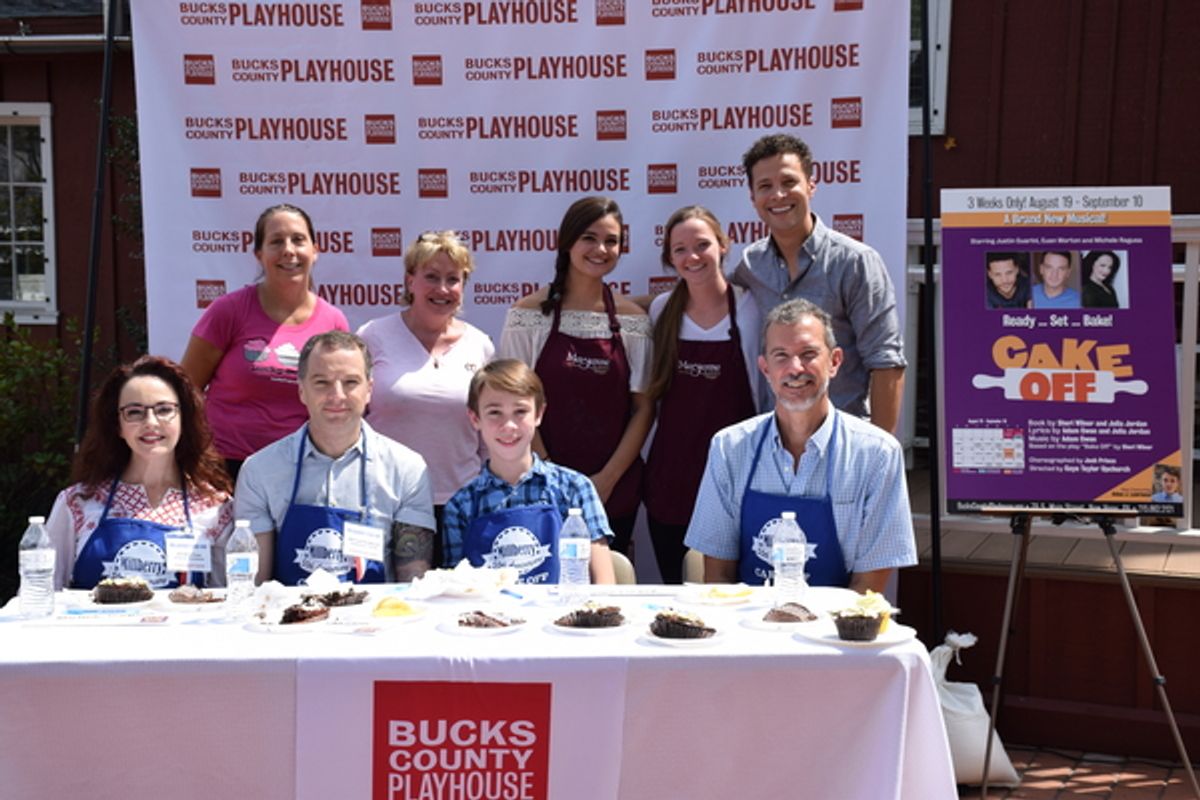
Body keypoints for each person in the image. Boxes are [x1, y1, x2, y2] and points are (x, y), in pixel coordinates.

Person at [683, 299, 917, 592]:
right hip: (749, 619)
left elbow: (867, 589)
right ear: (765, 368)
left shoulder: (878, 455)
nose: (795, 368)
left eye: (808, 354)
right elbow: (718, 576)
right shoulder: (729, 448)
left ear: (834, 362)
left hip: (839, 620)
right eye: (781, 355)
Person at [499, 196, 653, 556]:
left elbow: (644, 408)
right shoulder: (528, 315)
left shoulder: (632, 320)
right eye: (589, 238)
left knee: (609, 580)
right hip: (541, 486)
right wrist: (552, 476)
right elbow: (514, 404)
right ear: (567, 242)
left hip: (614, 489)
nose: (601, 249)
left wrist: (606, 480)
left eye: (611, 241)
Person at [732, 133, 905, 432]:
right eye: (765, 186)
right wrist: (644, 305)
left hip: (843, 439)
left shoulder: (855, 262)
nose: (778, 195)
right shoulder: (751, 264)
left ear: (811, 185)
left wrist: (879, 450)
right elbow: (705, 299)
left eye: (789, 182)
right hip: (775, 440)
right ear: (753, 197)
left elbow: (886, 361)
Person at [235, 331, 435, 585]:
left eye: (350, 382)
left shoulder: (407, 469)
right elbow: (253, 585)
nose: (337, 395)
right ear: (301, 390)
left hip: (375, 610)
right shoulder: (259, 470)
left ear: (369, 389)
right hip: (287, 610)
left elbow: (412, 583)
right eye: (322, 382)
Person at [181, 203, 349, 481]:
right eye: (276, 241)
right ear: (259, 254)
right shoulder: (228, 311)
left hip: (302, 469)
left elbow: (339, 399)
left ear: (315, 251)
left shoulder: (333, 321)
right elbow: (185, 390)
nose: (288, 250)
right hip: (226, 468)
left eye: (298, 240)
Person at [357, 231, 494, 563]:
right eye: (431, 277)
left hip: (461, 505)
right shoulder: (372, 336)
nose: (442, 289)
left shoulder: (481, 345)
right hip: (386, 501)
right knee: (388, 594)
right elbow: (352, 418)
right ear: (410, 281)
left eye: (453, 279)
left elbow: (489, 433)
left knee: (461, 594)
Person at [644, 206, 761, 583]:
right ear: (669, 257)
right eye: (679, 249)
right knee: (678, 592)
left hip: (737, 477)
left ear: (724, 245)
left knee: (731, 593)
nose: (691, 257)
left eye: (702, 245)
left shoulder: (751, 308)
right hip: (672, 479)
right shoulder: (662, 309)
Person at [45, 356, 234, 590]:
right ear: (118, 426)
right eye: (134, 412)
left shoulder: (215, 508)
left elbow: (226, 600)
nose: (151, 422)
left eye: (164, 410)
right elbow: (41, 590)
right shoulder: (78, 503)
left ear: (183, 419)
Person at [442, 359, 616, 584]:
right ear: (475, 419)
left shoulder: (575, 488)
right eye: (495, 412)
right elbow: (456, 589)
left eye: (520, 411)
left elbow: (604, 583)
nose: (509, 426)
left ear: (539, 414)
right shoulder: (460, 506)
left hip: (563, 607)